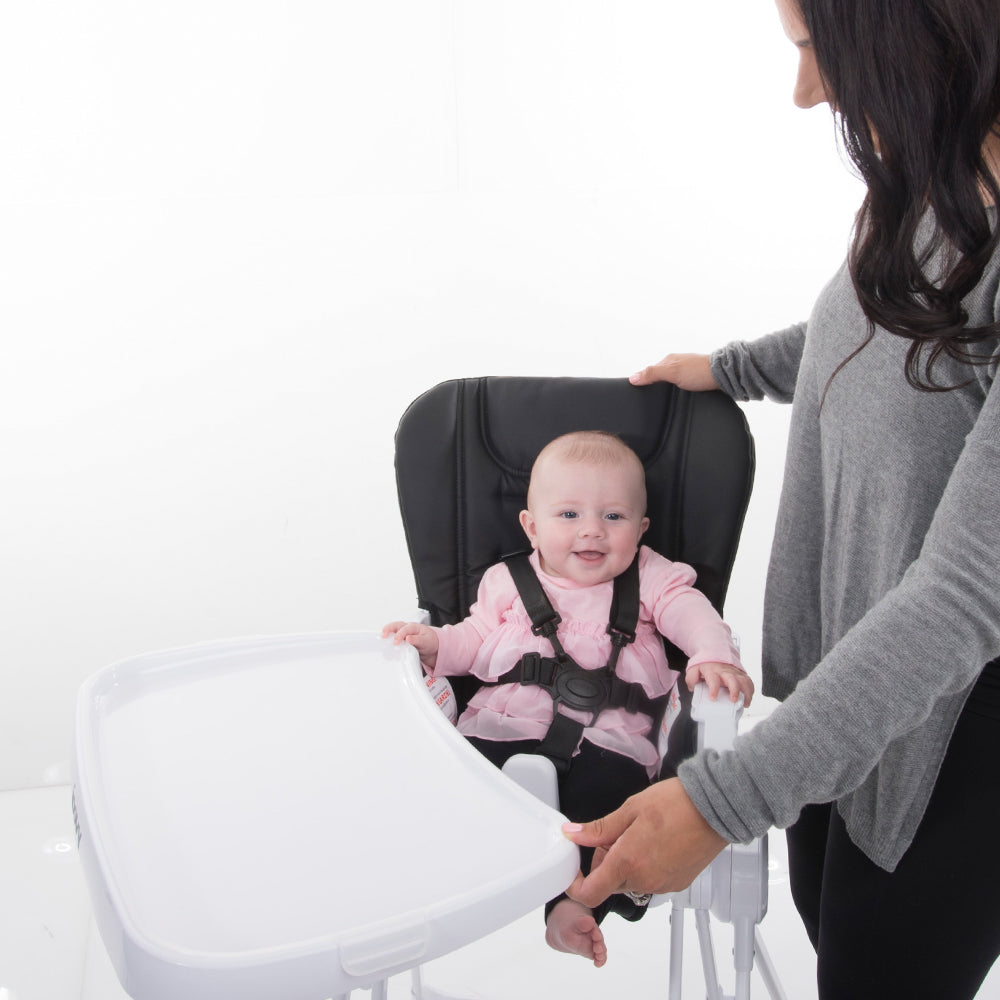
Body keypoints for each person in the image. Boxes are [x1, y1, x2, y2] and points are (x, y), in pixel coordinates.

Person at [562, 1, 1000, 997]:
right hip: (852, 673)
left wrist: (721, 800)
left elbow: (973, 588)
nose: (807, 92)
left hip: (955, 716)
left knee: (876, 969)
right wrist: (733, 369)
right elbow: (881, 335)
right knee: (825, 919)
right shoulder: (936, 186)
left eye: (816, 53)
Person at [383, 430, 753, 968]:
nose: (592, 532)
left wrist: (711, 654)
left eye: (613, 517)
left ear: (641, 529)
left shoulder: (650, 577)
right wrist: (436, 644)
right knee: (461, 788)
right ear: (531, 527)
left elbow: (690, 611)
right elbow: (472, 639)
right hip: (497, 732)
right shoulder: (506, 581)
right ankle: (434, 888)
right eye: (569, 515)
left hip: (609, 746)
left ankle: (574, 906)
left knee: (613, 813)